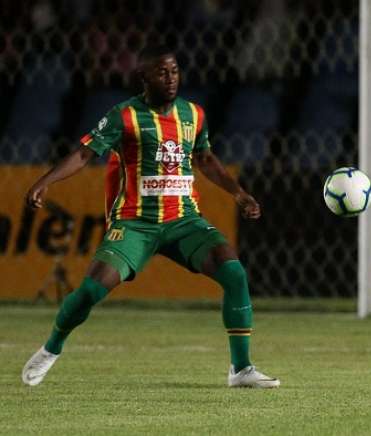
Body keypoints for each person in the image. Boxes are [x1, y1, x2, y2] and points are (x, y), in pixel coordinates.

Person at [21, 44, 279, 389]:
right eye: (161, 72)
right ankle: (50, 349)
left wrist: (239, 193)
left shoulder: (193, 114)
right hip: (135, 223)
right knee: (89, 293)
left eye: (174, 71)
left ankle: (241, 369)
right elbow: (84, 155)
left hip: (184, 220)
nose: (170, 78)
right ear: (144, 77)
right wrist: (44, 182)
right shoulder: (123, 116)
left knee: (233, 271)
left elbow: (204, 159)